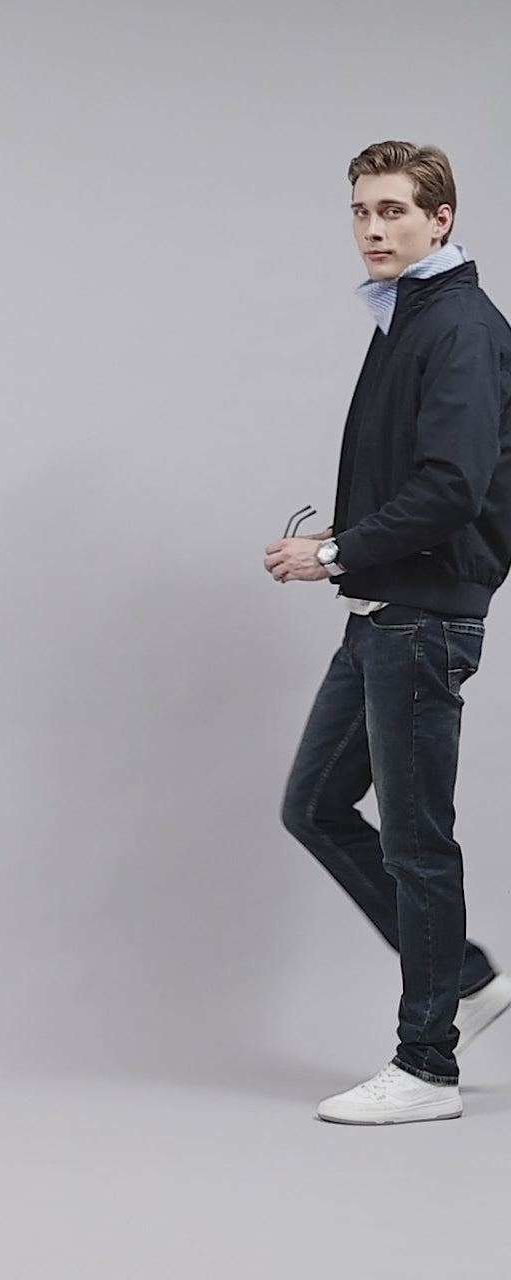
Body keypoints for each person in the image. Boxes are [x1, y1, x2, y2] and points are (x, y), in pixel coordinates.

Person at [264, 140, 511, 1125]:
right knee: (316, 805)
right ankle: (469, 980)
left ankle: (427, 1067)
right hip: (383, 610)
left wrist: (332, 552)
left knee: (417, 843)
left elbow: (453, 488)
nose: (374, 228)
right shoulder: (408, 315)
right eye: (363, 211)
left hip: (421, 617)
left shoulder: (458, 327)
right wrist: (348, 553)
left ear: (441, 218)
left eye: (395, 210)